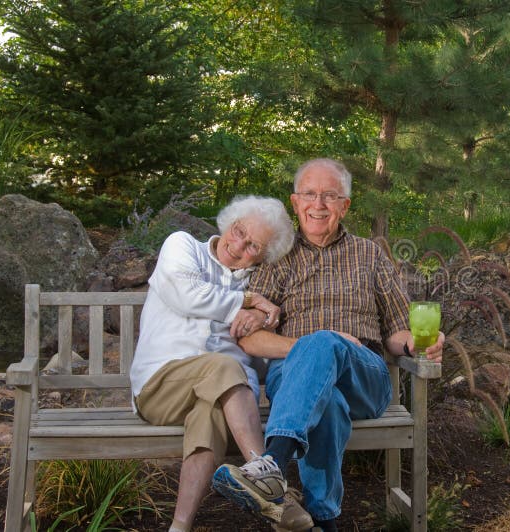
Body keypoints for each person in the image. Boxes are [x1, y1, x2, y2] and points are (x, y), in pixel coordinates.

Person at [212, 159, 445, 531]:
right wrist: (313, 347)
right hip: (294, 378)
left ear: (345, 205)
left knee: (326, 349)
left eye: (329, 196)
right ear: (295, 201)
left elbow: (398, 330)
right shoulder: (277, 258)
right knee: (327, 400)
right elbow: (251, 337)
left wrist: (421, 344)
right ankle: (323, 521)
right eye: (309, 194)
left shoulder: (369, 255)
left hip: (364, 378)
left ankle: (272, 463)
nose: (317, 204)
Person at [129, 195, 313, 532]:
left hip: (217, 395)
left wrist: (261, 315)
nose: (238, 245)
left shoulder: (256, 285)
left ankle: (179, 527)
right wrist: (246, 302)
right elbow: (186, 292)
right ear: (229, 222)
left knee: (209, 414)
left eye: (253, 246)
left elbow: (258, 358)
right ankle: (270, 481)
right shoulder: (184, 247)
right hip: (160, 387)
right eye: (239, 231)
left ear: (263, 256)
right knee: (226, 366)